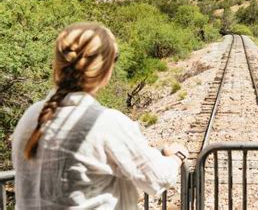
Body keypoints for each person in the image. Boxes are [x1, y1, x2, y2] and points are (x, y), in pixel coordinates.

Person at [12, 22, 188, 209]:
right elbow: (158, 177)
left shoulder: (30, 116)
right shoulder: (106, 123)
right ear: (105, 68)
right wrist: (176, 156)